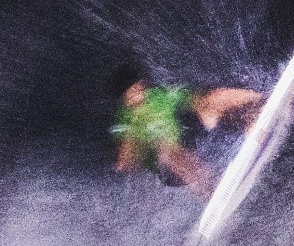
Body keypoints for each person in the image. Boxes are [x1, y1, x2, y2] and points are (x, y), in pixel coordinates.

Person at [110, 67, 264, 196]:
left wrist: (205, 104)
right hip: (169, 168)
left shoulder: (157, 95)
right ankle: (212, 191)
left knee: (211, 99)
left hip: (188, 140)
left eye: (137, 87)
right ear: (123, 99)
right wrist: (132, 149)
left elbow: (193, 98)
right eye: (130, 93)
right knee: (167, 151)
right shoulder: (124, 121)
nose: (137, 92)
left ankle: (260, 105)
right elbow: (125, 161)